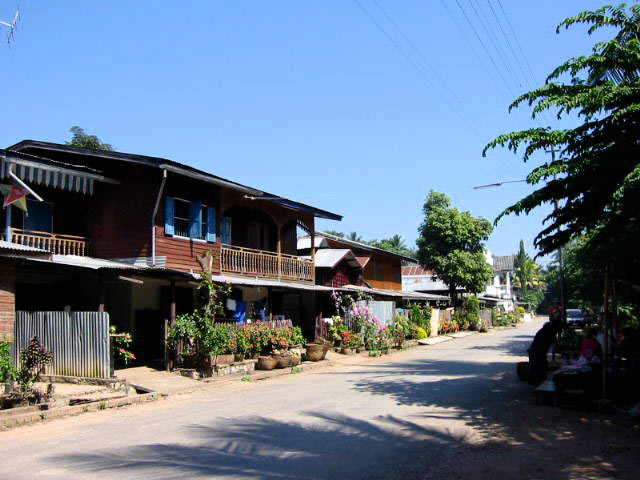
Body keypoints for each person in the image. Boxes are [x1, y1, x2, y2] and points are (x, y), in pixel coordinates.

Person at [528, 322, 560, 386]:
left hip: (537, 352)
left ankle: (538, 383)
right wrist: (553, 358)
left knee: (538, 368)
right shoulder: (544, 333)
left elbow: (554, 345)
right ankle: (538, 385)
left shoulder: (546, 331)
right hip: (536, 352)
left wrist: (553, 358)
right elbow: (554, 345)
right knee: (538, 368)